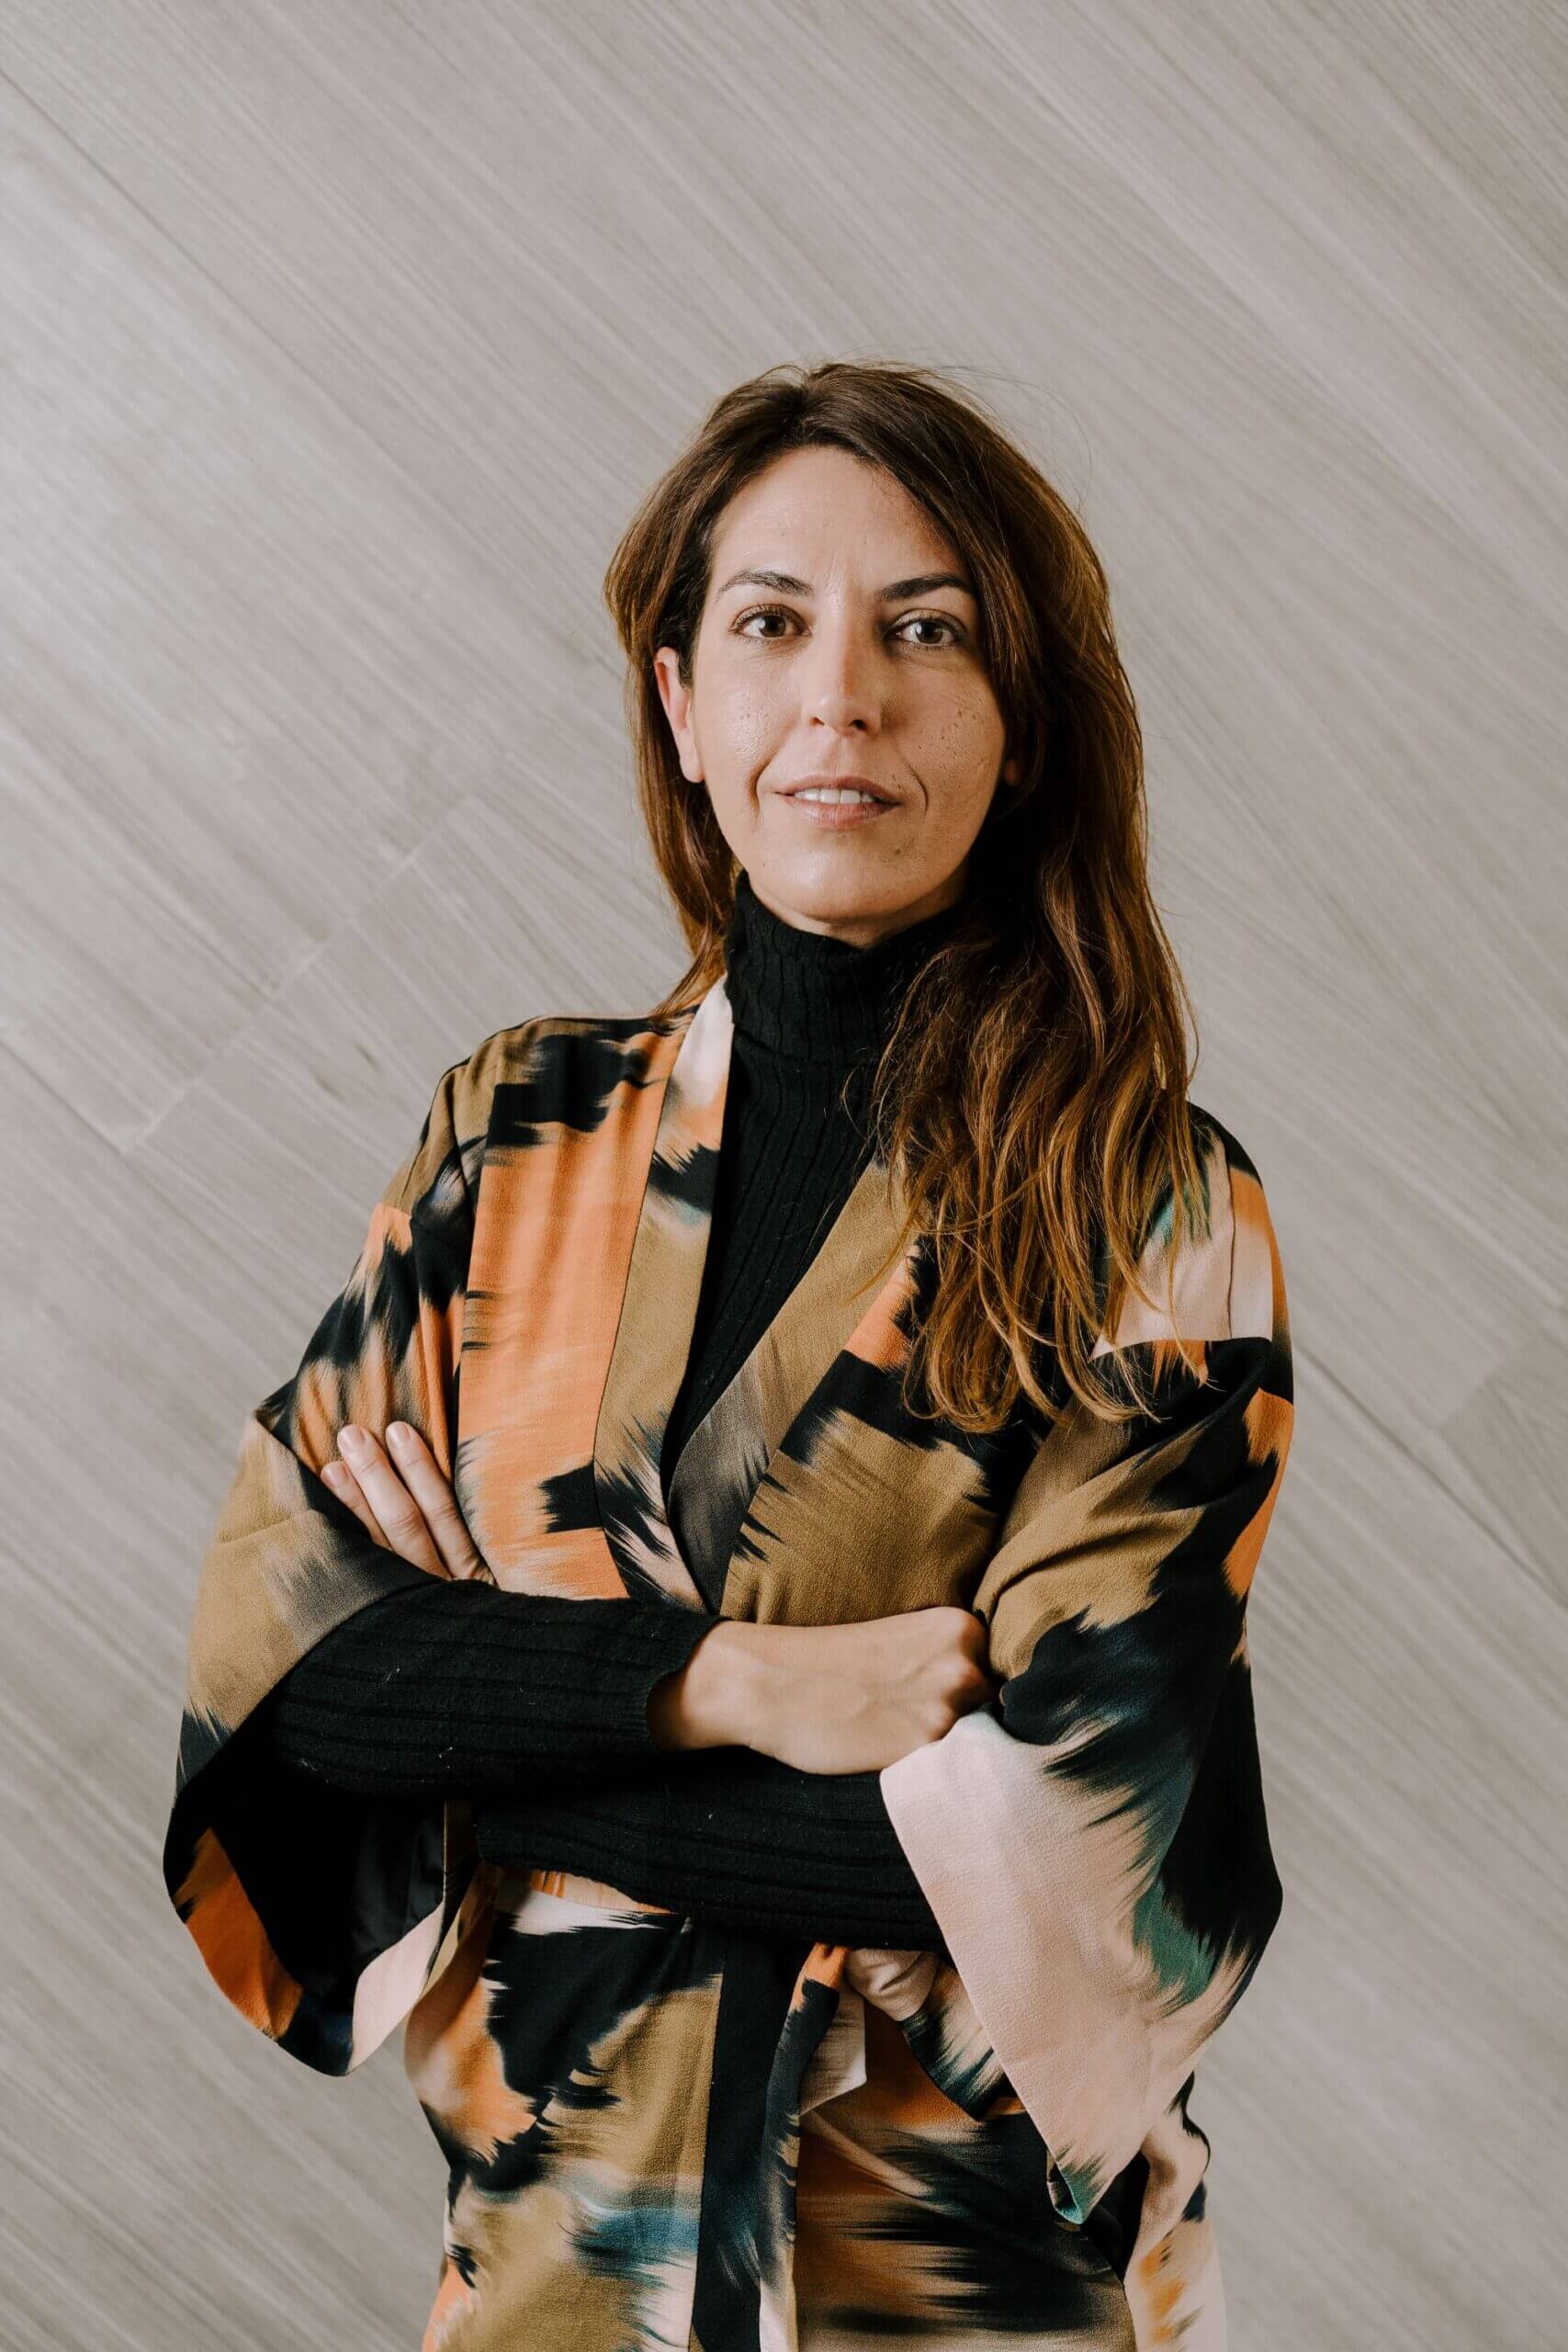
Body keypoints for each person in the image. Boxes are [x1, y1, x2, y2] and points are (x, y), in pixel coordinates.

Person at [161, 360, 1294, 2351]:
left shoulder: (1145, 1210)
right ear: (681, 706)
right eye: (772, 623)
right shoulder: (510, 1138)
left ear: (1020, 723)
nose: (840, 698)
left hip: (951, 2295)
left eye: (925, 631)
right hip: (545, 2265)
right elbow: (288, 1695)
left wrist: (494, 1719)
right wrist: (741, 1683)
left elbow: (1071, 1863)